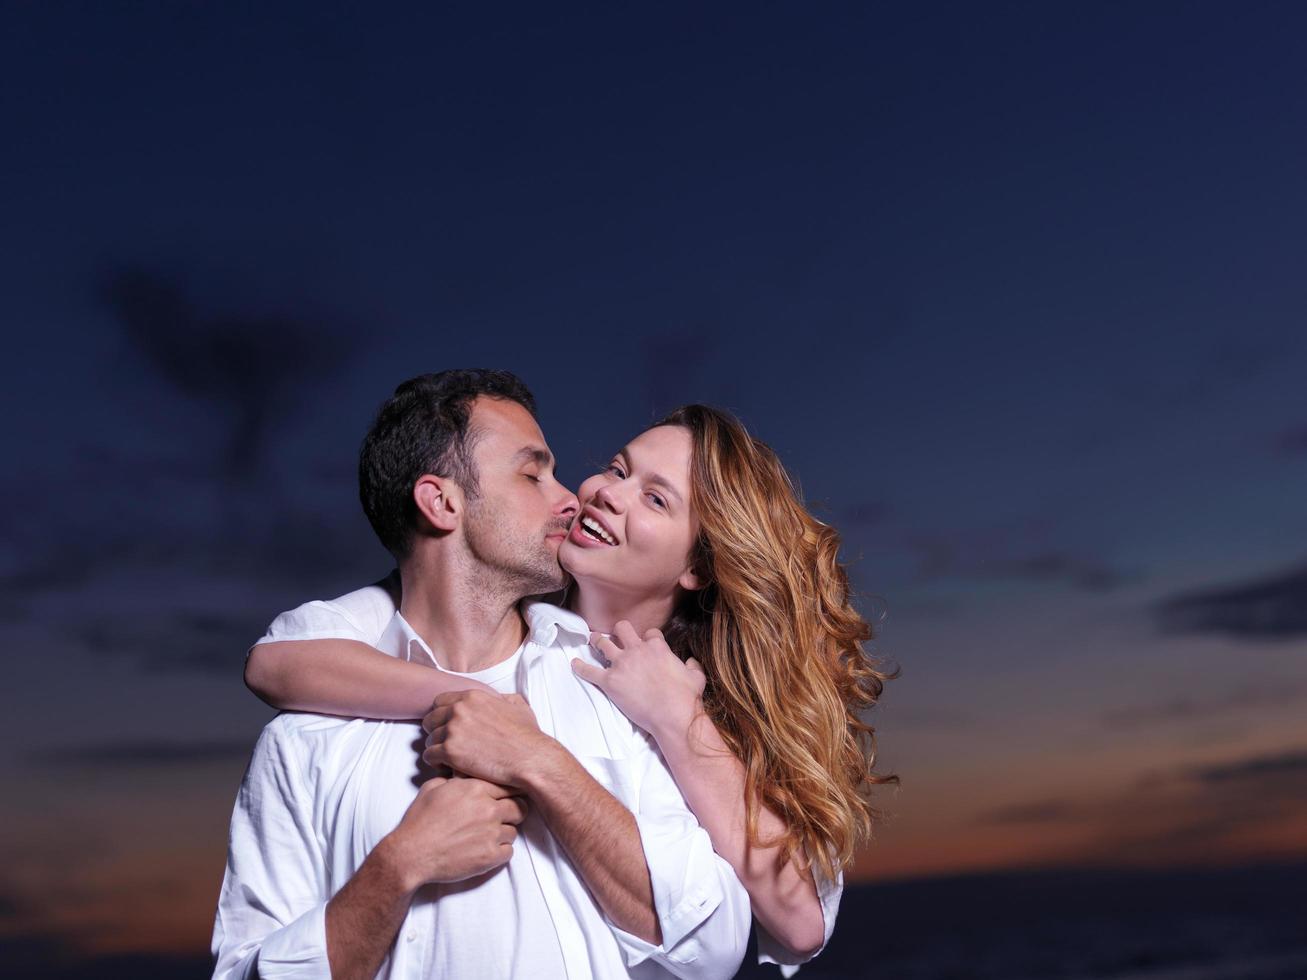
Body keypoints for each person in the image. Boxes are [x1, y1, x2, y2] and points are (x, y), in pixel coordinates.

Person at [245, 389, 896, 974]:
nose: (604, 492)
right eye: (617, 469)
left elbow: (798, 923)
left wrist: (678, 719)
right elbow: (278, 663)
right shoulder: (491, 619)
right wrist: (482, 702)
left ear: (696, 567)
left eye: (655, 497)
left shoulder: (696, 706)